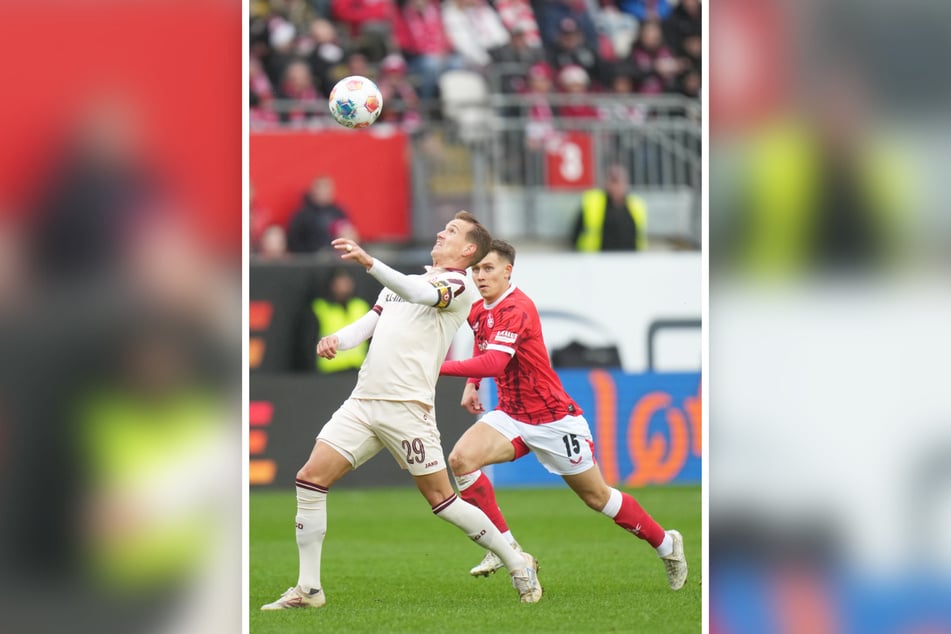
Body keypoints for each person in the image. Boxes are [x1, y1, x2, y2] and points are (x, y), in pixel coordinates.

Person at [261, 212, 543, 610]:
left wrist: (369, 262)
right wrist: (337, 340)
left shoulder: (458, 285)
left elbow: (416, 294)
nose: (442, 232)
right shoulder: (409, 279)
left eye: (452, 232)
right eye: (444, 227)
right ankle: (309, 589)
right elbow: (372, 322)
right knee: (310, 479)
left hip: (407, 408)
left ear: (468, 250)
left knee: (443, 501)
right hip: (363, 401)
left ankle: (517, 560)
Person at [439, 239, 688, 590]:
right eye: (476, 269)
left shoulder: (518, 308)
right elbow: (484, 344)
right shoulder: (480, 310)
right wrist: (472, 381)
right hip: (510, 414)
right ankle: (506, 549)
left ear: (508, 271)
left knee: (598, 498)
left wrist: (438, 366)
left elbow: (496, 360)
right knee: (462, 460)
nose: (480, 276)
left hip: (553, 419)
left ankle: (667, 544)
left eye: (488, 268)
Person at [307, 267, 371, 372]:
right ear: (331, 285)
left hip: (359, 369)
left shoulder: (360, 306)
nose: (343, 288)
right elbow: (309, 344)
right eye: (339, 283)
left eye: (346, 283)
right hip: (330, 370)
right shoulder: (319, 308)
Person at [571, 164, 648, 251]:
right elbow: (576, 233)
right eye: (613, 182)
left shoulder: (636, 204)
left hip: (629, 259)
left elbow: (639, 235)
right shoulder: (594, 202)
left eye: (619, 182)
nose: (616, 187)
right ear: (606, 183)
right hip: (598, 259)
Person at [286, 176, 359, 254]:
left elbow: (350, 234)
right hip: (311, 260)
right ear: (313, 191)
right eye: (320, 189)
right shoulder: (302, 216)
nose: (323, 192)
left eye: (326, 189)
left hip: (338, 258)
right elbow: (294, 242)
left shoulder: (338, 212)